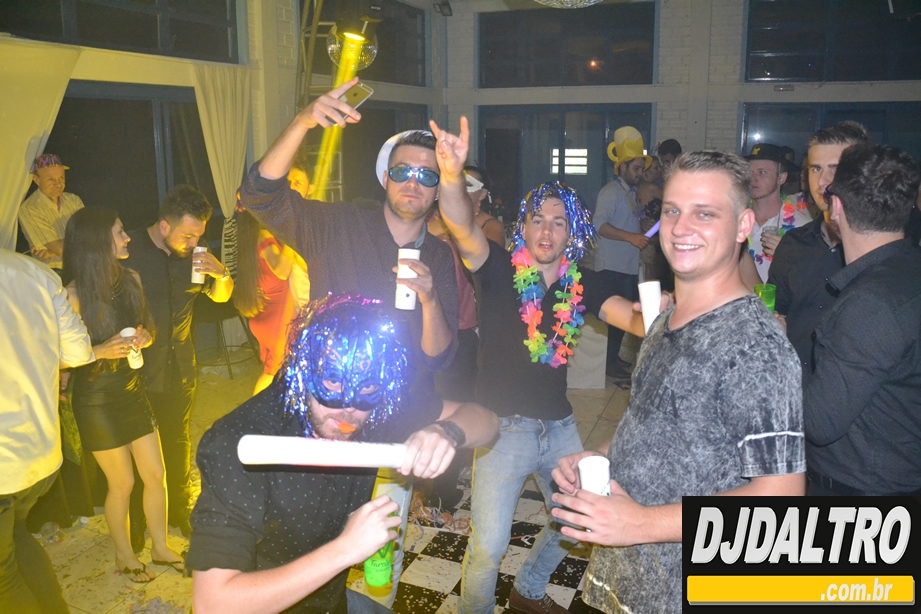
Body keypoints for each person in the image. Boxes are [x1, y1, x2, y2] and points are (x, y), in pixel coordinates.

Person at [235, 78, 467, 606]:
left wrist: (431, 299)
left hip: (393, 423)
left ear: (437, 190)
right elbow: (259, 196)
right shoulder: (336, 225)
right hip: (320, 416)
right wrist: (303, 120)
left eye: (426, 175)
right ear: (386, 177)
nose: (412, 182)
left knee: (380, 546)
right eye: (402, 171)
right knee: (303, 541)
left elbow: (440, 357)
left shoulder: (439, 256)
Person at [551, 151, 806, 614]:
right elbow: (655, 420)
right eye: (672, 210)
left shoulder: (756, 346)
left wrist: (641, 523)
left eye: (705, 214)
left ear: (743, 225)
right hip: (621, 579)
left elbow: (780, 499)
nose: (681, 227)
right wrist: (602, 455)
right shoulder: (665, 319)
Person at [429, 117, 650, 614]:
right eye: (538, 219)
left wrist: (669, 314)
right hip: (500, 430)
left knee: (578, 524)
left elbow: (633, 319)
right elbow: (461, 224)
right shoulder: (496, 269)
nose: (547, 230)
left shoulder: (582, 283)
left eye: (559, 221)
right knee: (488, 547)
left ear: (572, 233)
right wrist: (451, 174)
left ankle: (528, 588)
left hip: (560, 428)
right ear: (522, 226)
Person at [188, 295, 499, 614]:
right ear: (304, 369)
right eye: (333, 380)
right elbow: (212, 606)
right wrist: (345, 550)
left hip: (333, 603)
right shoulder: (236, 441)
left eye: (366, 387)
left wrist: (447, 432)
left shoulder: (373, 411)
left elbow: (487, 421)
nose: (348, 407)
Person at [62, 207, 186, 581]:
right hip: (96, 400)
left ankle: (160, 547)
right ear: (98, 242)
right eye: (119, 232)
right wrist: (99, 351)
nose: (128, 237)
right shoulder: (72, 295)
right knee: (123, 483)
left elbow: (147, 324)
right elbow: (56, 355)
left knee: (156, 474)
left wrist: (146, 335)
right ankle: (124, 555)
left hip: (132, 389)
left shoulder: (131, 278)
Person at [803, 143, 921, 496]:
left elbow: (819, 421)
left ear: (836, 207)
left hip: (862, 496)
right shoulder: (908, 271)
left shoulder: (870, 303)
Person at [124, 185, 234, 543]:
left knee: (178, 438)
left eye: (199, 235)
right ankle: (138, 517)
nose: (194, 242)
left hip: (181, 365)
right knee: (137, 447)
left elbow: (221, 298)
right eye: (188, 235)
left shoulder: (196, 255)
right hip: (138, 368)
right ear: (164, 226)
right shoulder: (129, 251)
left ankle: (179, 509)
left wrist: (221, 274)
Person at [0, 248, 93, 613]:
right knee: (17, 536)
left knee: (3, 578)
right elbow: (79, 351)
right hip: (40, 450)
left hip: (5, 463)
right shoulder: (34, 270)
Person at [768, 121, 870, 384]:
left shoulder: (877, 249)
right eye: (816, 169)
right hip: (796, 389)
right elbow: (776, 311)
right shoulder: (794, 244)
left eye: (835, 168)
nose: (823, 181)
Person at [594, 126, 652, 381]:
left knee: (624, 317)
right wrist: (631, 237)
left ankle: (613, 359)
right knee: (614, 318)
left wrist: (642, 228)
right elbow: (599, 225)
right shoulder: (610, 192)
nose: (640, 173)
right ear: (622, 167)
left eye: (641, 168)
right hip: (611, 266)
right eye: (636, 168)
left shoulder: (630, 193)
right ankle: (608, 364)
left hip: (627, 265)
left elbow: (626, 224)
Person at [233, 209, 298, 394]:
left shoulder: (249, 239)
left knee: (277, 374)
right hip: (278, 322)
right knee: (272, 375)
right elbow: (282, 270)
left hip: (265, 319)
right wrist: (293, 234)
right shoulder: (264, 235)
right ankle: (253, 411)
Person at [745, 143, 812, 282]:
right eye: (750, 173)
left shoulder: (802, 227)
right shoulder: (735, 221)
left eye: (762, 172)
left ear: (781, 178)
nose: (754, 178)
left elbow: (811, 280)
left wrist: (788, 255)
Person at [17, 154, 85, 270]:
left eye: (61, 178)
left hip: (82, 266)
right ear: (36, 180)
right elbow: (61, 249)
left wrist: (51, 251)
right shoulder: (30, 208)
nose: (58, 184)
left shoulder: (74, 200)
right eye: (51, 179)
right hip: (55, 273)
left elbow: (91, 235)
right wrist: (59, 249)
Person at [464, 165, 505, 246]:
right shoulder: (439, 218)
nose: (461, 190)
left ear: (482, 194)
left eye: (468, 185)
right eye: (458, 184)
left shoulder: (492, 226)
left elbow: (493, 253)